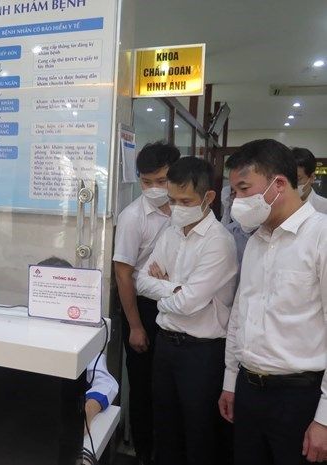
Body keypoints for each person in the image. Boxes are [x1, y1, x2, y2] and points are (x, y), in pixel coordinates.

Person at [219, 139, 327, 465]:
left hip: (299, 396)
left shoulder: (320, 237)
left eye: (243, 189)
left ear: (278, 184)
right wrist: (230, 380)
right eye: (234, 191)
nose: (237, 201)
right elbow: (240, 313)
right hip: (249, 388)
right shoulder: (257, 241)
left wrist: (324, 419)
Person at [136, 157, 238, 465]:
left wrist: (167, 290)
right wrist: (176, 289)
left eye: (186, 201)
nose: (177, 208)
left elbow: (188, 303)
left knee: (198, 434)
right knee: (165, 429)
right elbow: (141, 281)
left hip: (201, 353)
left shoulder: (219, 242)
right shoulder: (171, 231)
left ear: (208, 197)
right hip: (166, 345)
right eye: (172, 200)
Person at [113, 141, 180, 464]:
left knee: (170, 388)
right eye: (146, 181)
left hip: (179, 305)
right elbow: (123, 274)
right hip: (144, 309)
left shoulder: (186, 208)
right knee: (143, 388)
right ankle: (144, 453)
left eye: (162, 180)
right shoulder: (132, 217)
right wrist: (135, 326)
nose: (154, 189)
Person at [37, 257, 119, 430]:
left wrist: (87, 411)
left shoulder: (81, 331)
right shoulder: (25, 327)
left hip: (63, 416)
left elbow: (107, 383)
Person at [224, 187, 254, 265]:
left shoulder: (273, 232)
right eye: (234, 194)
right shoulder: (228, 233)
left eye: (244, 189)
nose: (238, 198)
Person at [293, 147, 327, 214]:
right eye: (289, 179)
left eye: (297, 179)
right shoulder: (279, 206)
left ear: (312, 177)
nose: (292, 184)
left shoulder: (324, 207)